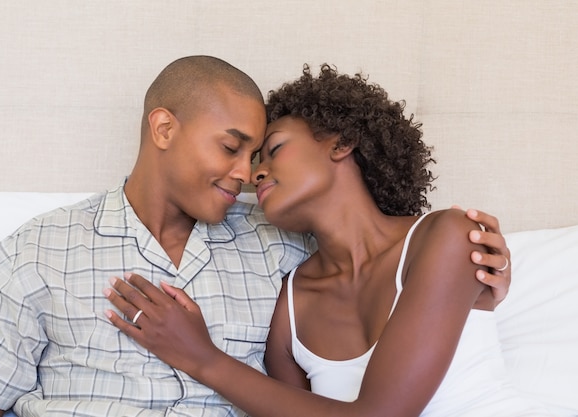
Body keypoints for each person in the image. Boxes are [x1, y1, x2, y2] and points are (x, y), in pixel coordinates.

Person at [0, 56, 510, 417]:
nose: (248, 174)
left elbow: (391, 264)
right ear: (164, 128)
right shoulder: (39, 251)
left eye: (264, 153)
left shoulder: (285, 252)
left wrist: (482, 282)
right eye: (233, 148)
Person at [104, 64, 546, 417]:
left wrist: (202, 358)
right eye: (245, 158)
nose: (251, 173)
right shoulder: (291, 304)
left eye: (272, 150)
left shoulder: (446, 236)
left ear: (342, 143)